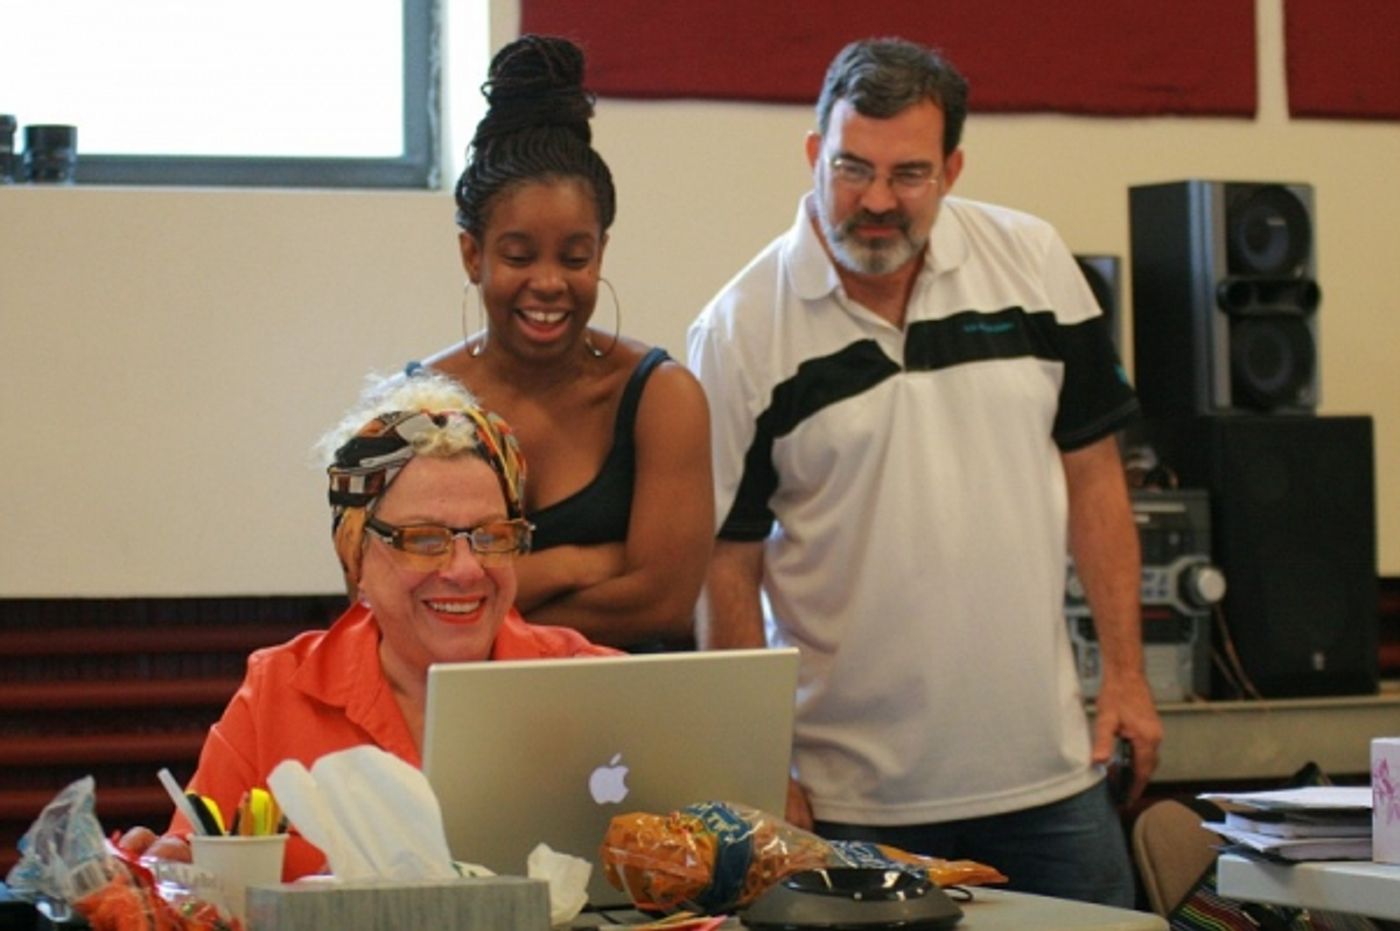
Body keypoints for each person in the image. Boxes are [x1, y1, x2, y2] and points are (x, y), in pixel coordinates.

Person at [686, 37, 1162, 907]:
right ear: (811, 154)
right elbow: (728, 559)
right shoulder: (739, 330)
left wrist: (1127, 677)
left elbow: (1097, 478)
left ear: (951, 167)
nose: (874, 200)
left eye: (907, 175)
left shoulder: (1036, 263)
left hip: (1050, 780)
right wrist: (756, 760)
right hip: (847, 800)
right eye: (850, 167)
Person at [120, 371, 619, 880]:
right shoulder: (278, 693)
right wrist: (161, 871)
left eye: (492, 536)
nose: (467, 569)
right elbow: (193, 869)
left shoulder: (596, 685)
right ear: (357, 555)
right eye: (425, 540)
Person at [416, 35, 713, 651]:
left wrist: (485, 604)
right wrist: (577, 564)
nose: (549, 283)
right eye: (519, 256)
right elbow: (390, 604)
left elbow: (664, 606)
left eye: (575, 257)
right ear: (473, 255)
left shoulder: (663, 397)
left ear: (600, 251)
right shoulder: (417, 407)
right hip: (471, 725)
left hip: (632, 727)